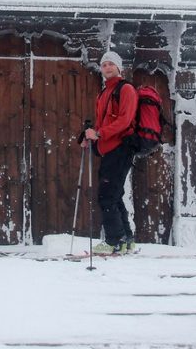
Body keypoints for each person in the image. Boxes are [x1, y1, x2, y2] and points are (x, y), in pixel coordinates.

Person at [81, 51, 138, 254]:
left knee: (106, 196)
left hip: (121, 149)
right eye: (104, 65)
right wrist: (91, 139)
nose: (107, 68)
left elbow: (124, 120)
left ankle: (114, 241)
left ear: (118, 67)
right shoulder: (104, 92)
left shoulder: (126, 89)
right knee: (114, 195)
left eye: (111, 64)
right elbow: (103, 123)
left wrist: (99, 133)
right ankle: (126, 239)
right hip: (109, 150)